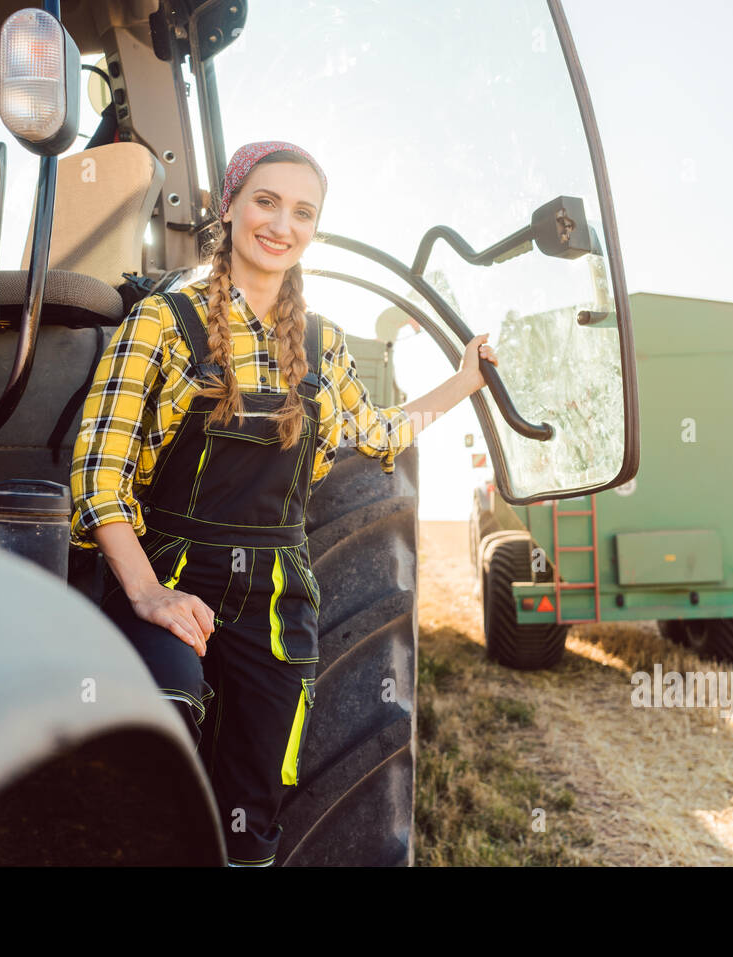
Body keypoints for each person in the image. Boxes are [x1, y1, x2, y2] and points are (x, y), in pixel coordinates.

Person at [69, 140, 497, 866]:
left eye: (304, 212)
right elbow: (98, 475)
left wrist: (463, 382)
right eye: (267, 201)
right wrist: (148, 593)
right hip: (171, 576)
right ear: (228, 207)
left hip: (276, 602)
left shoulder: (324, 345)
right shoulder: (163, 323)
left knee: (254, 802)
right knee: (165, 742)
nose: (282, 224)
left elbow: (379, 434)